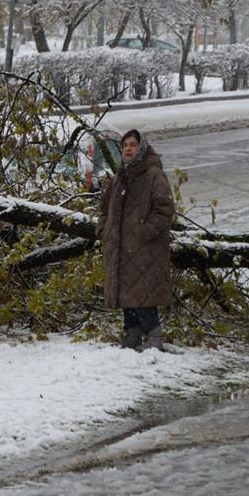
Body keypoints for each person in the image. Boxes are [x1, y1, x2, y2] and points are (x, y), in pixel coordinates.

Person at [96, 129, 176, 351]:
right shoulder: (120, 177)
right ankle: (132, 333)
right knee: (126, 290)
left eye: (133, 144)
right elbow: (104, 207)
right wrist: (105, 229)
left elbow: (164, 209)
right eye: (125, 145)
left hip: (145, 249)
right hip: (121, 246)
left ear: (141, 148)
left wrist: (143, 232)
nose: (128, 149)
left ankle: (153, 336)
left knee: (144, 292)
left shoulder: (153, 175)